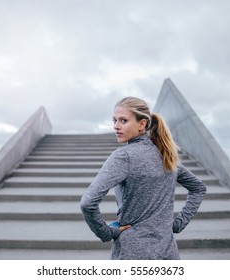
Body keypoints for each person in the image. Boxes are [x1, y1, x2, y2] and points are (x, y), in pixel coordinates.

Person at [80, 96, 206, 260]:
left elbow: (87, 203)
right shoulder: (165, 155)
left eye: (123, 121)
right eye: (114, 120)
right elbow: (198, 188)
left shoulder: (124, 157)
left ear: (142, 124)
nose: (116, 126)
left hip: (132, 252)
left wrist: (107, 232)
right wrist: (178, 223)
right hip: (167, 252)